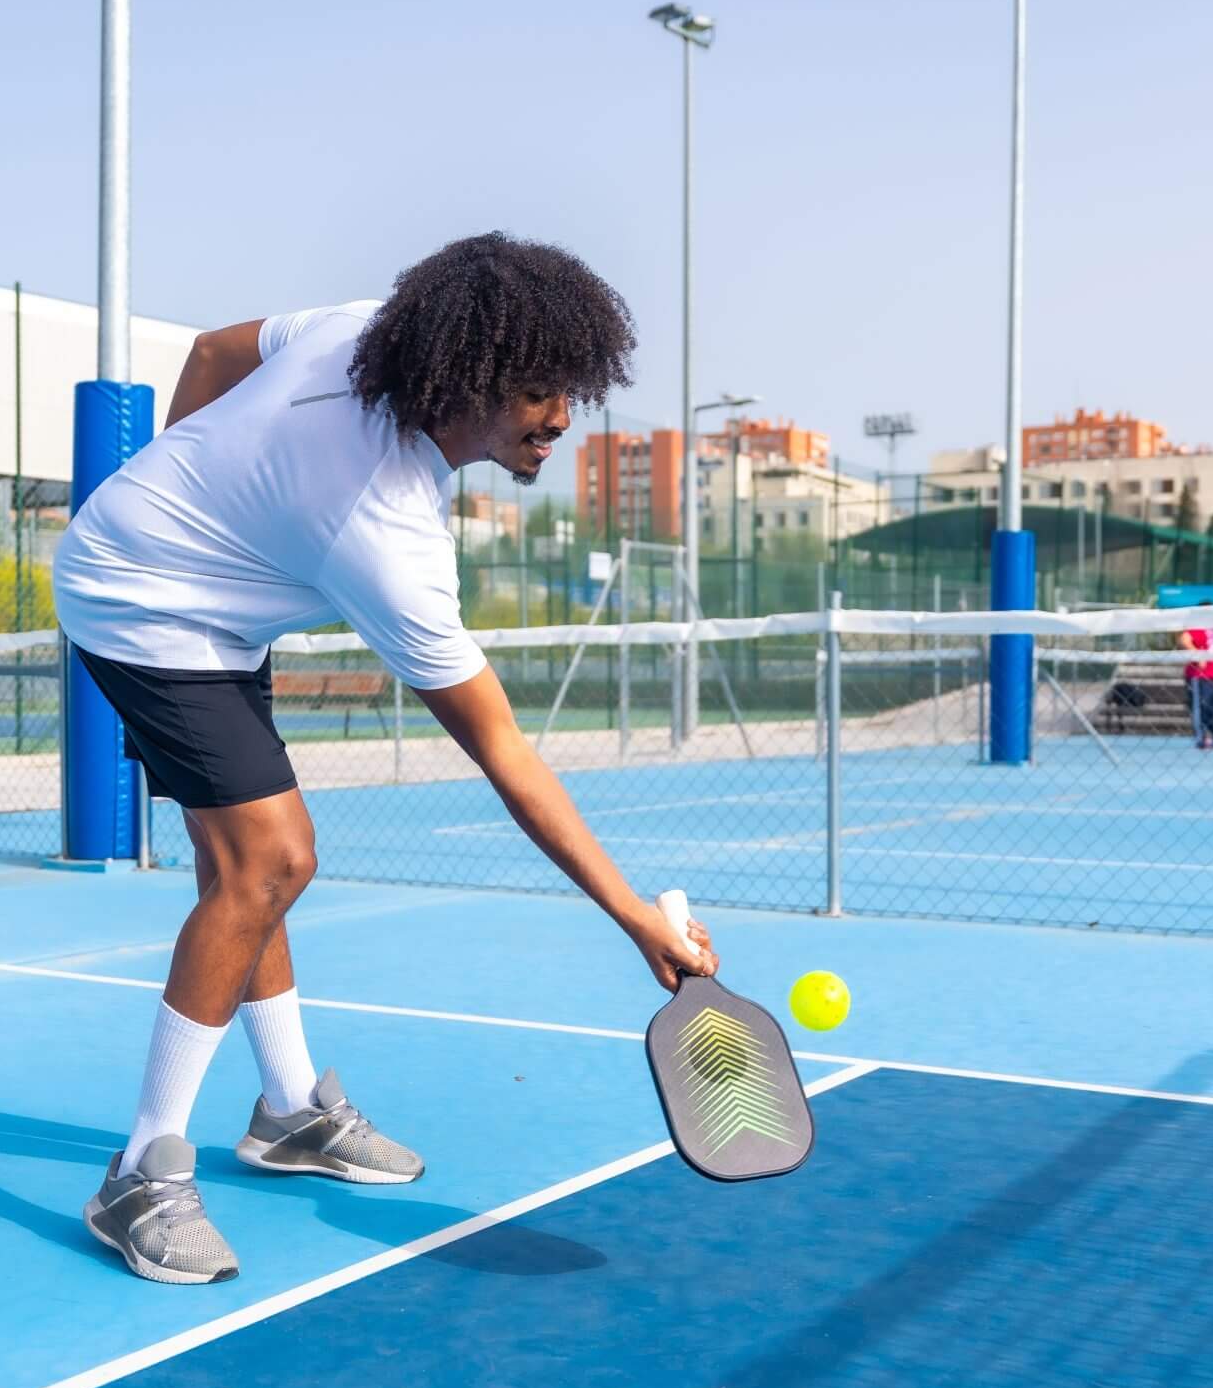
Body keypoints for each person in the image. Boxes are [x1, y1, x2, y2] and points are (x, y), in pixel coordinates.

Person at [51, 234, 717, 1284]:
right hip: (138, 599)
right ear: (470, 381)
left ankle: (286, 1114)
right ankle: (141, 1174)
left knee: (255, 863)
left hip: (215, 599)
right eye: (541, 395)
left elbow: (215, 350)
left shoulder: (366, 330)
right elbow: (502, 751)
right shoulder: (384, 529)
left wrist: (194, 489)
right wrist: (630, 912)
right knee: (269, 860)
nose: (560, 422)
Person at [1179, 602, 1213, 750]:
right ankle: (1200, 738)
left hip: (1212, 676)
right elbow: (1184, 639)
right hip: (1198, 675)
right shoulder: (1197, 628)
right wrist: (1198, 655)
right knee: (1200, 707)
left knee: (1212, 709)